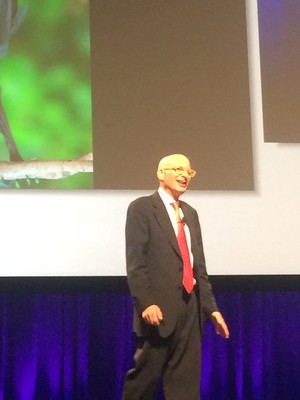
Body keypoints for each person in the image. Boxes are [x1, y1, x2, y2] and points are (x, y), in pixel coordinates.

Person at [122, 154, 229, 400]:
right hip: (158, 310)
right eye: (178, 169)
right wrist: (146, 302)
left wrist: (211, 309)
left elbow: (198, 267)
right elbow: (136, 263)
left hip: (190, 308)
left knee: (186, 383)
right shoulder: (142, 208)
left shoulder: (190, 213)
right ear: (161, 174)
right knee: (144, 379)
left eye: (189, 172)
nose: (184, 175)